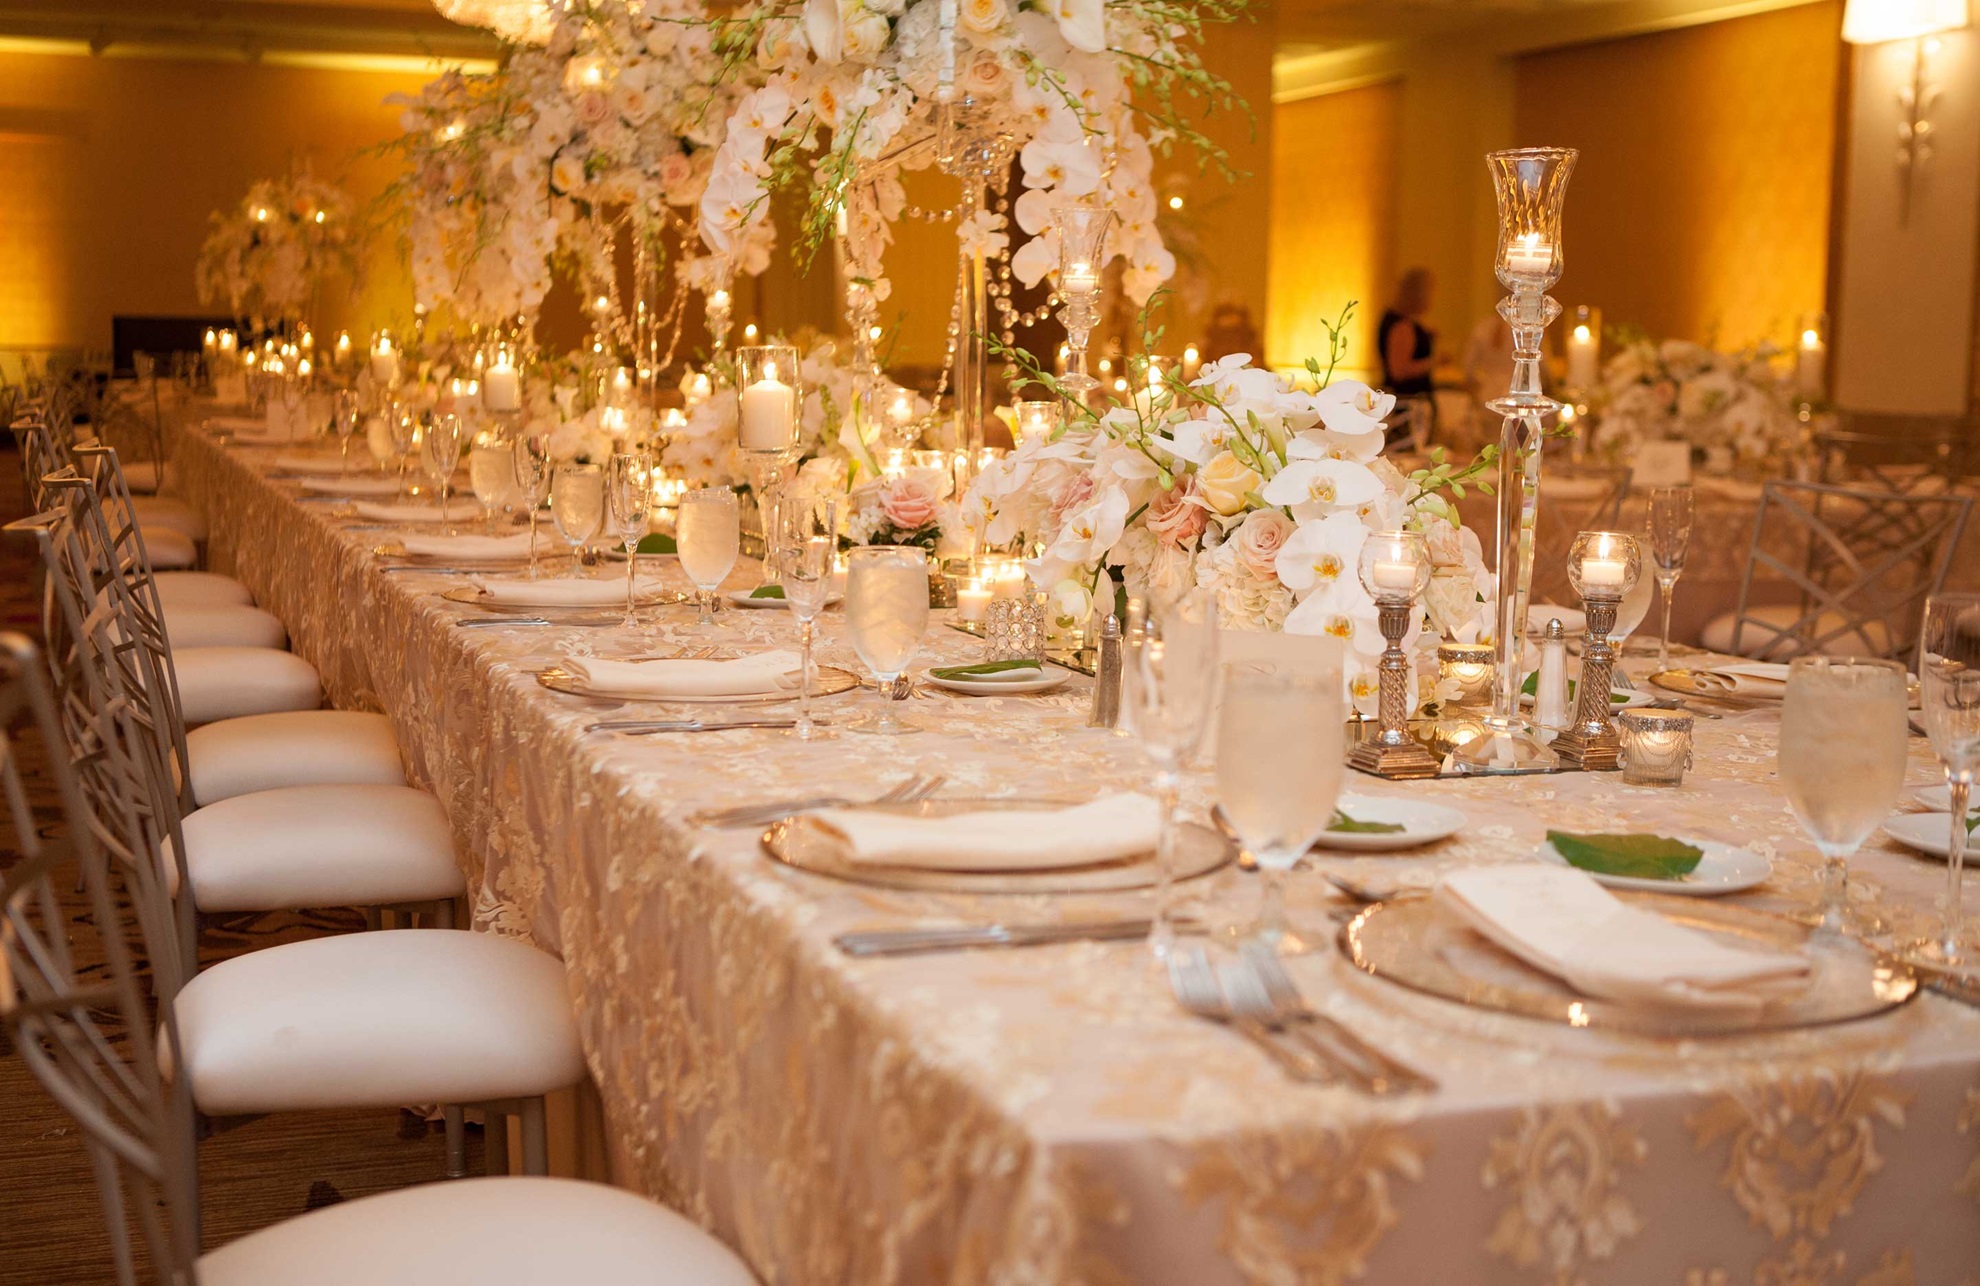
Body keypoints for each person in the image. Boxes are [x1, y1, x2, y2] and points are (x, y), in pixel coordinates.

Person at [1378, 268, 1437, 398]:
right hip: (1408, 401)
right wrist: (1433, 362)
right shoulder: (1402, 325)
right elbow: (1398, 371)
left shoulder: (1397, 321)